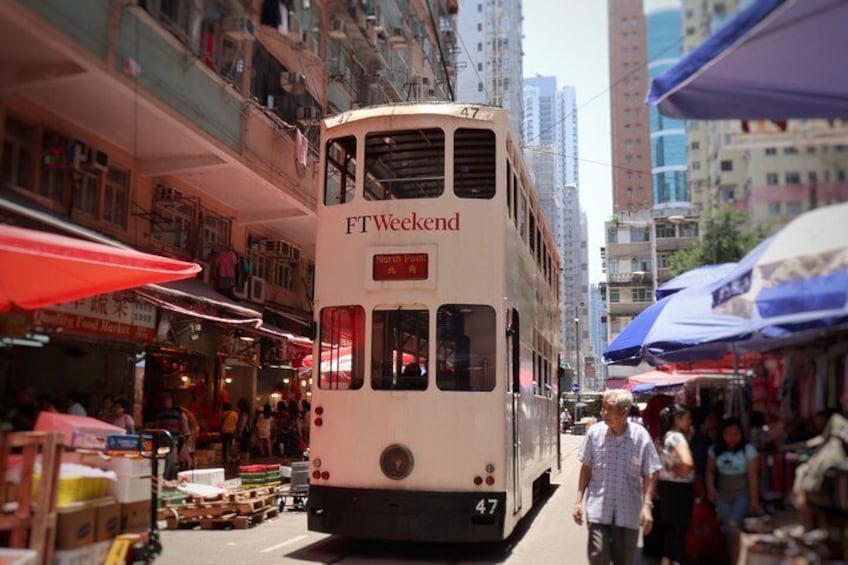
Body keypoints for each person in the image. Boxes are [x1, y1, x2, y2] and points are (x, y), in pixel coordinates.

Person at [574, 389, 662, 565]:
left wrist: (646, 506)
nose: (604, 413)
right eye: (603, 408)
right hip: (599, 508)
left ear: (625, 410)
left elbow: (650, 473)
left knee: (624, 561)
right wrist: (578, 501)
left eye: (609, 408)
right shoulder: (594, 434)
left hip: (628, 510)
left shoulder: (640, 436)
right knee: (598, 555)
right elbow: (586, 469)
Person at [706, 418, 764, 563]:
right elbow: (710, 471)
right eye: (728, 434)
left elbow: (752, 476)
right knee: (728, 529)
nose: (732, 438)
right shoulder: (714, 450)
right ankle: (734, 558)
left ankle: (737, 561)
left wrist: (754, 500)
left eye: (736, 434)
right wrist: (711, 489)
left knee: (734, 526)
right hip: (723, 495)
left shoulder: (748, 450)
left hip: (742, 495)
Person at [656, 404, 695, 565]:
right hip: (680, 489)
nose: (690, 421)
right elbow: (687, 461)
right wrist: (682, 470)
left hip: (665, 487)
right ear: (677, 419)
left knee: (670, 531)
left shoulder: (663, 437)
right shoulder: (677, 438)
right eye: (687, 418)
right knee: (679, 532)